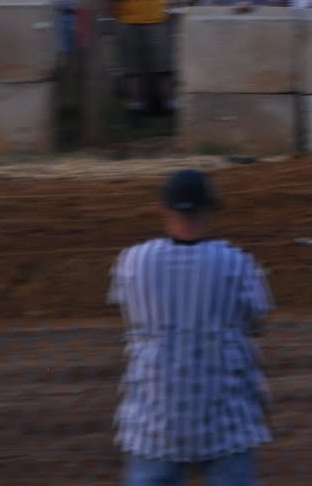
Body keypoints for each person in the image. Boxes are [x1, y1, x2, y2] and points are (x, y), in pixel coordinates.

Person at [110, 169, 272, 486]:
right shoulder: (236, 262)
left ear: (162, 208)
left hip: (155, 420)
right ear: (209, 209)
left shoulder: (133, 261)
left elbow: (129, 315)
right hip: (225, 420)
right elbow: (257, 321)